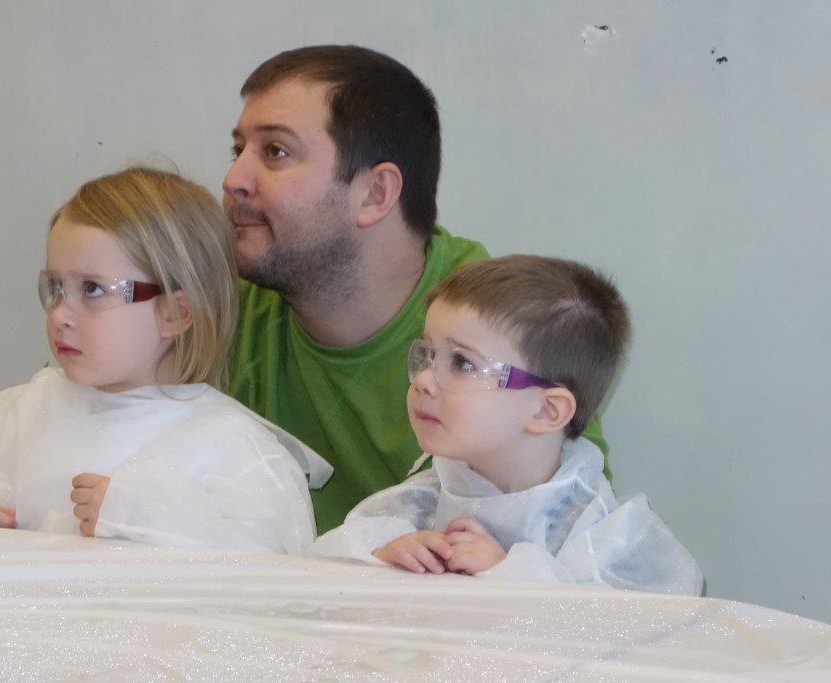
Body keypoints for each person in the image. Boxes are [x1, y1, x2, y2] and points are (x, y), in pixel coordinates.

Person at [224, 45, 607, 534]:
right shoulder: (218, 305)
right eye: (238, 151)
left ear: (375, 194)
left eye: (275, 151)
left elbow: (560, 555)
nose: (233, 180)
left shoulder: (510, 329)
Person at [0, 167, 331, 554]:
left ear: (174, 313)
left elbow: (269, 561)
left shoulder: (228, 443)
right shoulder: (34, 410)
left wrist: (141, 514)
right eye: (56, 288)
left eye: (92, 290)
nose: (60, 315)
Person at [310, 256, 702, 594]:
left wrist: (508, 573)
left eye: (462, 362)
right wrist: (383, 558)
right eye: (427, 354)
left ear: (546, 411)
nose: (424, 379)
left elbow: (633, 625)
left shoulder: (603, 533)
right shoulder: (424, 498)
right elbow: (315, 575)